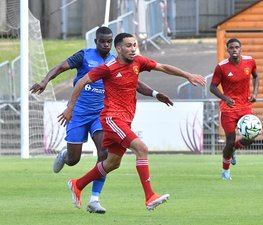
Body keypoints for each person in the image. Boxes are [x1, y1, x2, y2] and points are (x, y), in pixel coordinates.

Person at [30, 27, 173, 213]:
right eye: (102, 41)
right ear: (96, 41)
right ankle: (66, 155)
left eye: (108, 41)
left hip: (102, 113)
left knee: (104, 154)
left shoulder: (118, 60)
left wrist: (154, 93)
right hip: (79, 112)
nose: (105, 44)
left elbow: (135, 82)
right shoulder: (84, 56)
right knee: (74, 159)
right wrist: (44, 81)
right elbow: (60, 67)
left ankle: (94, 199)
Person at [58, 32, 206, 210]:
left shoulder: (139, 62)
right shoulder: (108, 67)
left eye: (134, 45)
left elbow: (163, 67)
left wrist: (187, 75)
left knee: (112, 162)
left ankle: (77, 185)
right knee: (141, 148)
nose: (133, 49)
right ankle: (150, 196)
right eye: (128, 46)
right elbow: (82, 81)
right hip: (112, 118)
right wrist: (70, 108)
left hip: (126, 119)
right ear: (118, 49)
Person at [209, 38, 259, 180]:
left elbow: (256, 76)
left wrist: (254, 93)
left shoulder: (250, 61)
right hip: (228, 108)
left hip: (245, 106)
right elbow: (212, 87)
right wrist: (225, 98)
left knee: (251, 136)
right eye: (231, 47)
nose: (234, 50)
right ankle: (225, 172)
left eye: (237, 47)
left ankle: (234, 149)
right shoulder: (221, 67)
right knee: (229, 141)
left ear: (241, 48)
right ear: (228, 50)